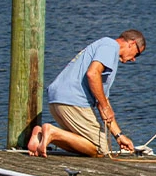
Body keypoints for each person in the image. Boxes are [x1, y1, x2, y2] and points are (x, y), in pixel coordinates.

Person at [27, 30, 146, 158]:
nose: (134, 59)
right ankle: (52, 132)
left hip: (57, 100)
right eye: (137, 54)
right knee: (100, 149)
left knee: (84, 145)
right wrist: (105, 106)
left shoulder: (106, 51)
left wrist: (119, 136)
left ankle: (41, 136)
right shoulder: (110, 45)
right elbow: (92, 74)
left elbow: (102, 101)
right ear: (132, 44)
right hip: (74, 100)